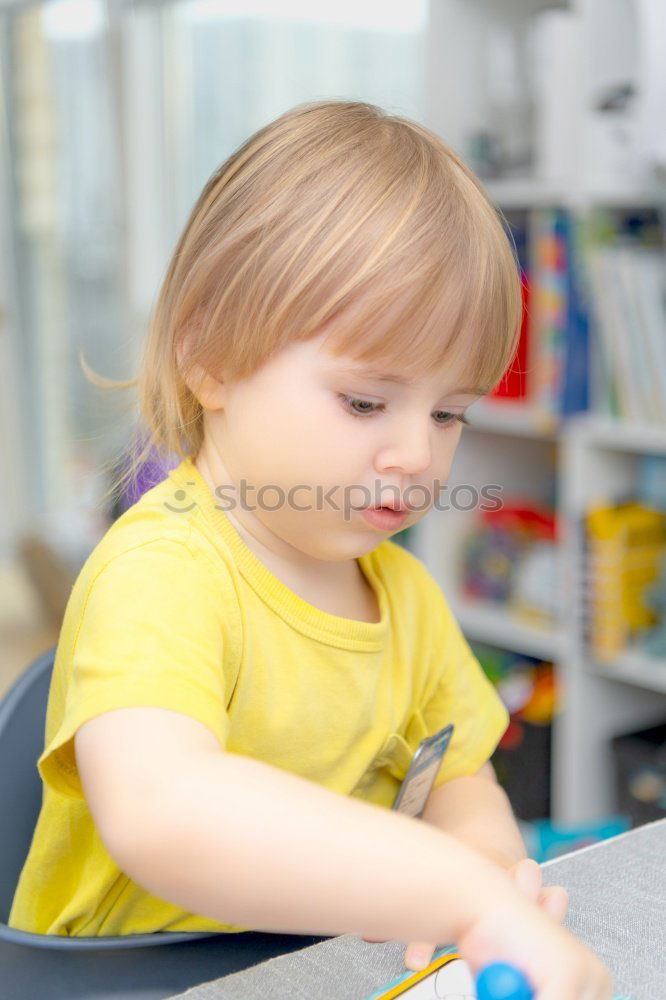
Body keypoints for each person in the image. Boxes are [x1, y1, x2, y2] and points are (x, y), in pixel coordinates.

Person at [10, 101, 612, 999]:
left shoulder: (403, 594)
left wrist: (486, 873)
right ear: (209, 357)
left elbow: (459, 777)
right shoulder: (161, 574)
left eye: (449, 412)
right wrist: (450, 891)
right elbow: (163, 813)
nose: (418, 454)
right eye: (367, 403)